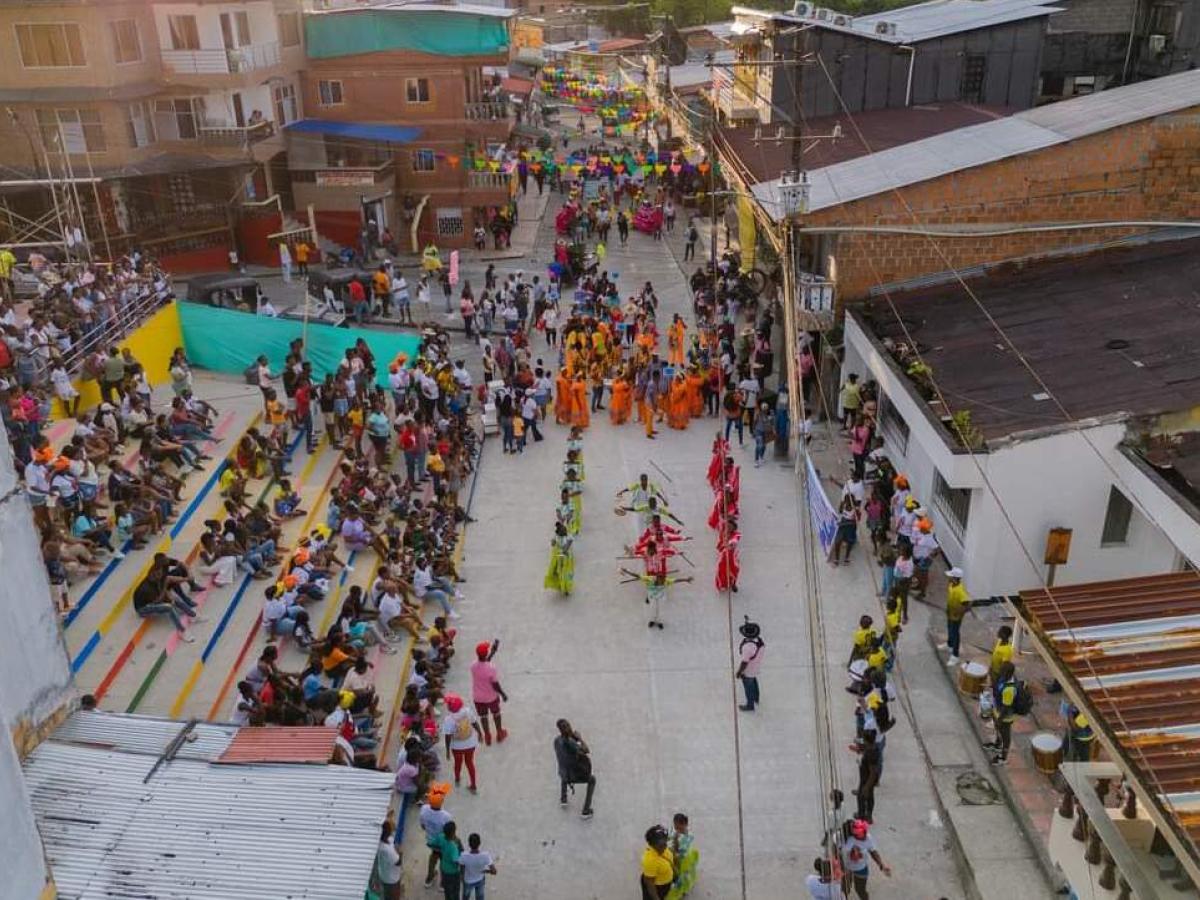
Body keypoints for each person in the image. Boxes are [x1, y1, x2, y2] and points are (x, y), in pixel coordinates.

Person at [841, 818, 891, 900]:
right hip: (847, 868)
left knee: (860, 890)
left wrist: (882, 865)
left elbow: (873, 852)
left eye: (864, 832)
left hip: (861, 868)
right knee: (845, 890)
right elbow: (839, 852)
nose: (864, 836)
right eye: (858, 834)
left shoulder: (868, 838)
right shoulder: (849, 840)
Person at [554, 718, 595, 818]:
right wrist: (580, 739)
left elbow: (567, 747)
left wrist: (572, 738)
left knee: (565, 768)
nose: (570, 727)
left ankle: (563, 799)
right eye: (568, 726)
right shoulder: (571, 743)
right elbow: (586, 750)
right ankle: (586, 811)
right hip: (573, 775)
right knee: (592, 780)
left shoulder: (556, 741)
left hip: (563, 773)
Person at [470, 640, 509, 745]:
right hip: (491, 697)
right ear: (486, 653)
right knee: (496, 714)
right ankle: (499, 733)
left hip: (478, 697)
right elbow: (495, 685)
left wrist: (492, 652)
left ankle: (487, 736)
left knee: (483, 716)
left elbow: (483, 663)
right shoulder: (491, 668)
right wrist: (503, 694)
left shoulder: (473, 666)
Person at [420, 783, 453, 889]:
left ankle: (429, 878)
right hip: (442, 843)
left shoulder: (424, 809)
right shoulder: (446, 816)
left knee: (433, 857)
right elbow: (449, 833)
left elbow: (423, 826)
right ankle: (443, 884)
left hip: (430, 841)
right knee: (444, 861)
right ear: (442, 801)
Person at [666, 813, 698, 899]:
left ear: (685, 824)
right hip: (675, 855)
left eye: (679, 827)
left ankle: (683, 890)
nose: (677, 829)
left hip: (683, 858)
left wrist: (675, 840)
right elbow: (668, 836)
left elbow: (678, 850)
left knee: (682, 874)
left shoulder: (688, 836)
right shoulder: (674, 830)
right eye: (675, 826)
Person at [943, 566, 970, 666]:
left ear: (955, 578)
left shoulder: (960, 591)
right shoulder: (951, 585)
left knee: (955, 633)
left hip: (956, 616)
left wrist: (959, 613)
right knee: (949, 629)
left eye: (950, 576)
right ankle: (949, 644)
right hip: (950, 613)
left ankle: (955, 655)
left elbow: (967, 605)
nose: (948, 577)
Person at [736, 617, 765, 711]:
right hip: (756, 666)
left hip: (749, 670)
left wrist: (740, 672)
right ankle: (756, 698)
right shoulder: (759, 641)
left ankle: (750, 705)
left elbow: (744, 662)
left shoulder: (748, 647)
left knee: (748, 687)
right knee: (754, 682)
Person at [460, 832, 497, 899]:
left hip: (468, 880)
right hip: (480, 880)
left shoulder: (464, 856)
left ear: (469, 844)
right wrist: (486, 871)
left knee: (465, 896)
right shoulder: (485, 855)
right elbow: (494, 871)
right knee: (480, 896)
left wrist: (462, 878)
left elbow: (462, 869)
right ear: (479, 843)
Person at [641, 824, 674, 900]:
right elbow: (650, 884)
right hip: (658, 888)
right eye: (661, 845)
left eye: (665, 842)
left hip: (665, 882)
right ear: (653, 845)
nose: (665, 846)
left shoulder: (662, 849)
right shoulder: (650, 861)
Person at [434, 820, 464, 900]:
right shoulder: (454, 846)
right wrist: (462, 870)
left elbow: (433, 844)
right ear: (453, 832)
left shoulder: (440, 837)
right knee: (455, 890)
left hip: (444, 868)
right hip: (453, 872)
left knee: (447, 890)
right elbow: (456, 861)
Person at [375, 821, 402, 900]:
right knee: (393, 896)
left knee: (388, 893)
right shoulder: (387, 850)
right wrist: (400, 853)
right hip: (391, 879)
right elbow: (398, 862)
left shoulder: (382, 841)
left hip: (384, 873)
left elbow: (392, 840)